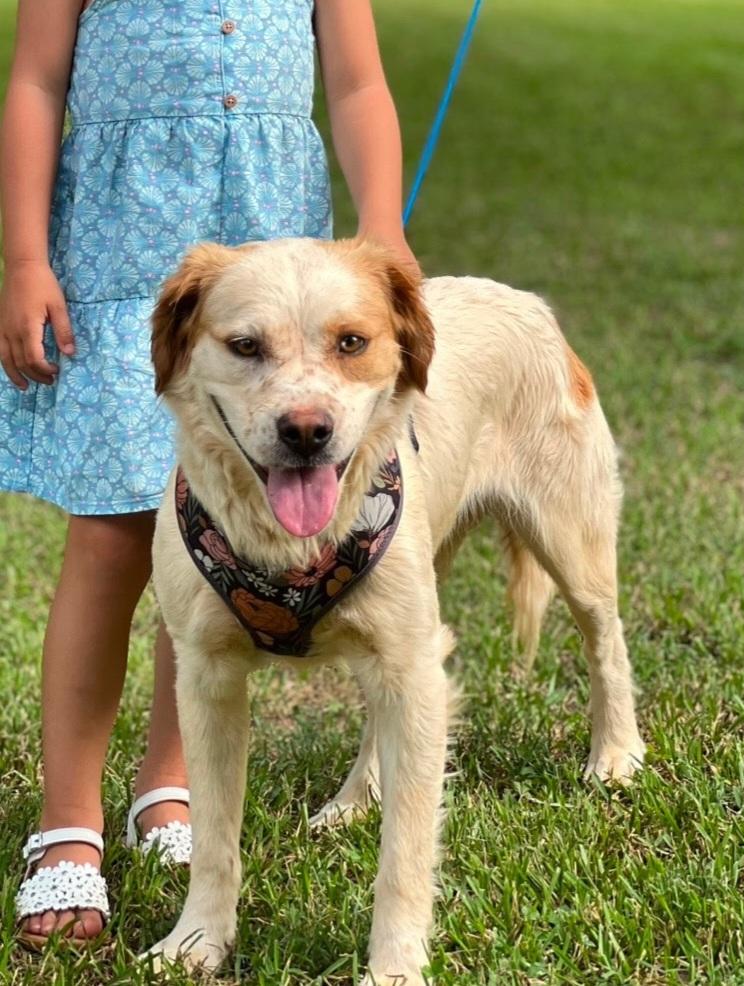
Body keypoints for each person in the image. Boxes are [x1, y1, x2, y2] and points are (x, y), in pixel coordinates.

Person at [0, 0, 416, 947]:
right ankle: (68, 823)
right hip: (120, 265)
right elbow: (35, 81)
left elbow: (358, 84)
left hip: (275, 279)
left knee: (215, 539)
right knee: (112, 538)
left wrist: (383, 222)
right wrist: (24, 259)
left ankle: (168, 784)